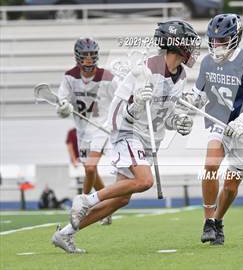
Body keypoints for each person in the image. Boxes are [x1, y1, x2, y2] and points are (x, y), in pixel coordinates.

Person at [52, 20, 200, 253]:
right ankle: (85, 200)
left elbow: (165, 115)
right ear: (175, 43)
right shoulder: (146, 69)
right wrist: (139, 102)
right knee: (145, 181)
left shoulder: (179, 76)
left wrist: (178, 121)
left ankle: (64, 234)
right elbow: (124, 112)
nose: (192, 47)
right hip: (127, 130)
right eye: (189, 41)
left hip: (148, 138)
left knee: (121, 199)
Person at [182, 14, 243, 245]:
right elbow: (198, 95)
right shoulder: (207, 62)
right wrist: (183, 110)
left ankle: (218, 221)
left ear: (236, 38)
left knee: (231, 184)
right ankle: (207, 221)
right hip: (219, 123)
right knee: (210, 166)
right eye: (214, 40)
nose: (217, 45)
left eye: (223, 41)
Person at [56, 38, 119, 225]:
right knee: (91, 171)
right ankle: (105, 207)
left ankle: (83, 203)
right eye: (85, 56)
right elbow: (61, 104)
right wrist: (64, 107)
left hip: (103, 129)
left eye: (92, 56)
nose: (89, 60)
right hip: (83, 131)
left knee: (90, 167)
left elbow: (123, 96)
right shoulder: (70, 77)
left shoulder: (107, 77)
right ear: (78, 57)